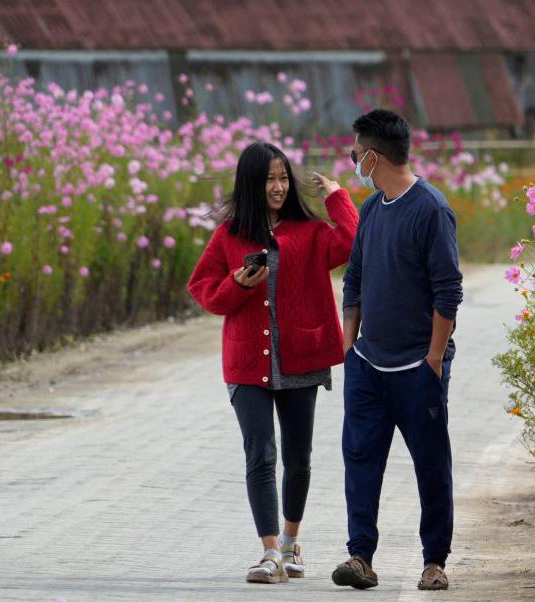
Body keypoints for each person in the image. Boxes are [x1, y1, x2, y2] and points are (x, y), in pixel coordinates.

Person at [187, 141, 358, 584]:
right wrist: (237, 284)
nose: (279, 187)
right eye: (269, 179)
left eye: (283, 178)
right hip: (247, 364)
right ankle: (268, 553)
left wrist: (338, 196)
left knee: (298, 459)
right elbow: (203, 290)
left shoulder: (311, 231)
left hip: (302, 357)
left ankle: (290, 541)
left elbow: (353, 242)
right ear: (251, 183)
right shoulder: (228, 235)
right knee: (260, 454)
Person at [332, 110, 464, 591]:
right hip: (367, 365)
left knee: (431, 464)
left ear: (372, 156)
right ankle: (360, 557)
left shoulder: (431, 209)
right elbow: (355, 280)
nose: (354, 163)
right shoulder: (370, 208)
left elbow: (448, 290)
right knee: (360, 459)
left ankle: (434, 562)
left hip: (417, 369)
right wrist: (350, 348)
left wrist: (433, 359)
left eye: (355, 154)